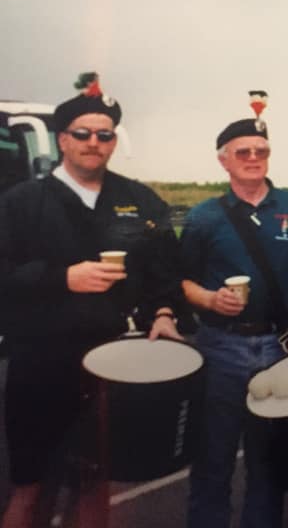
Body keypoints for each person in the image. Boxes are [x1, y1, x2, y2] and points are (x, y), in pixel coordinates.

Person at [0, 72, 185, 528]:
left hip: (112, 366)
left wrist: (163, 313)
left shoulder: (138, 200)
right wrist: (63, 277)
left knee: (95, 485)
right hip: (40, 362)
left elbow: (165, 270)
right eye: (82, 134)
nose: (94, 142)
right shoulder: (21, 202)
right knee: (31, 487)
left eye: (105, 135)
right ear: (63, 139)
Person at [180, 106, 288, 528]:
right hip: (220, 348)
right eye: (242, 151)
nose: (252, 157)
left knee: (269, 466)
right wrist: (210, 300)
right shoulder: (204, 215)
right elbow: (182, 281)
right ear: (223, 159)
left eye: (261, 150)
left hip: (278, 346)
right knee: (213, 462)